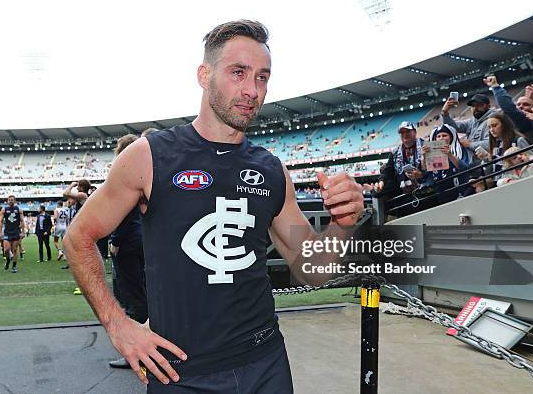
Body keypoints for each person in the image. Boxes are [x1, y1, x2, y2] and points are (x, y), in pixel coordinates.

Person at [64, 20, 363, 393]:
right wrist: (117, 325)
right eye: (238, 73)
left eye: (262, 77)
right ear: (204, 75)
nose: (252, 90)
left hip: (266, 363)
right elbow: (78, 238)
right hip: (181, 373)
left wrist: (342, 224)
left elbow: (313, 271)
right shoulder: (149, 156)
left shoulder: (271, 169)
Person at [108, 131, 153, 369]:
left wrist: (115, 239)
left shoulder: (126, 170)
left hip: (128, 241)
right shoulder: (147, 168)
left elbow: (122, 211)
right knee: (143, 291)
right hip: (143, 239)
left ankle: (138, 350)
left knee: (132, 294)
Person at [483, 76, 533, 147]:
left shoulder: (529, 123)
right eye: (518, 104)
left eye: (526, 104)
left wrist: (496, 86)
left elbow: (508, 107)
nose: (521, 106)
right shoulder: (520, 124)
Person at [420, 124, 472, 203]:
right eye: (438, 136)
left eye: (444, 135)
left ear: (451, 137)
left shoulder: (460, 149)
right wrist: (424, 157)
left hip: (460, 190)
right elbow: (425, 172)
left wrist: (450, 155)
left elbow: (465, 168)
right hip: (441, 192)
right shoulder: (432, 153)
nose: (441, 138)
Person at [373, 121, 425, 198]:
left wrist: (421, 175)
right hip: (405, 192)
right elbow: (387, 170)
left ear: (415, 132)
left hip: (425, 189)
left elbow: (435, 170)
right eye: (402, 132)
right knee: (376, 193)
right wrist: (381, 183)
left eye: (408, 131)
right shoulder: (395, 152)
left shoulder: (425, 146)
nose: (405, 134)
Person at [440, 92, 494, 164]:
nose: (475, 108)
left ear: (488, 106)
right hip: (475, 165)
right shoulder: (473, 121)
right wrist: (445, 112)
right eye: (473, 106)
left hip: (488, 164)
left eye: (479, 105)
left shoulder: (494, 120)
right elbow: (453, 127)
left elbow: (491, 144)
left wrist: (470, 144)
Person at [476, 112, 530, 178]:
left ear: (504, 125)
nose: (491, 130)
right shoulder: (496, 145)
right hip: (500, 182)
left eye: (494, 125)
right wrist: (487, 159)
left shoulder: (518, 140)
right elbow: (496, 167)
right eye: (489, 127)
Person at [62, 180, 91, 294]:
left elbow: (65, 193)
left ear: (82, 187)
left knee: (81, 259)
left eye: (78, 186)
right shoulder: (82, 196)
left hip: (83, 230)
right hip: (82, 228)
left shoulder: (82, 195)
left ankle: (84, 286)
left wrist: (72, 185)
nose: (77, 187)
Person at [0, 195, 25, 273]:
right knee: (6, 250)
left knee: (14, 250)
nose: (11, 201)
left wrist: (23, 232)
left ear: (15, 201)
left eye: (12, 200)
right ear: (7, 201)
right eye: (9, 200)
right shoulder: (4, 209)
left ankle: (14, 266)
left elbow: (22, 221)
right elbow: (0, 221)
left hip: (16, 232)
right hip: (7, 232)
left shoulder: (19, 209)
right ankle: (7, 260)